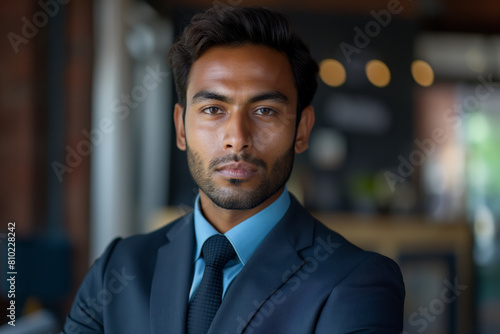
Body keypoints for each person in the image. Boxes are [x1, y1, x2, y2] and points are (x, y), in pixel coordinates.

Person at [63, 5, 404, 334]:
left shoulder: (354, 282)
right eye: (213, 109)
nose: (237, 139)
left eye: (266, 111)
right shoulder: (118, 269)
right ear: (181, 129)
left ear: (301, 129)